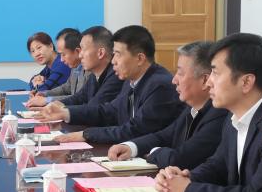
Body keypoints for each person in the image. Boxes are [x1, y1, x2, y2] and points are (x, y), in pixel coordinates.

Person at [156, 33, 262, 192]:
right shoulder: (232, 118)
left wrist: (188, 190)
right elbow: (218, 165)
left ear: (246, 82)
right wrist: (186, 177)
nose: (209, 82)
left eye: (216, 73)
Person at [108, 40, 227, 170]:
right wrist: (131, 147)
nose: (174, 80)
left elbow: (179, 159)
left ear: (205, 80)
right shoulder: (191, 108)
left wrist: (154, 152)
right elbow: (164, 136)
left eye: (180, 73)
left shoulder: (219, 114)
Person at [54, 25, 182, 145]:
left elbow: (135, 130)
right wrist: (66, 113)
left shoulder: (159, 86)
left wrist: (87, 134)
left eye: (118, 54)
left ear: (140, 59)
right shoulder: (130, 80)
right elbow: (110, 111)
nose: (113, 61)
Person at [34, 25, 122, 116]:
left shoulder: (115, 75)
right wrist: (54, 105)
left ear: (100, 53)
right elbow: (79, 97)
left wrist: (63, 112)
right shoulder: (94, 74)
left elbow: (94, 108)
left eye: (83, 49)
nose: (80, 55)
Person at [27, 28, 85, 106]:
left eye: (39, 48)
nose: (36, 54)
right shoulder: (74, 67)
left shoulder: (64, 65)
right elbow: (65, 88)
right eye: (32, 51)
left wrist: (46, 99)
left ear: (51, 46)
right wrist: (43, 93)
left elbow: (79, 98)